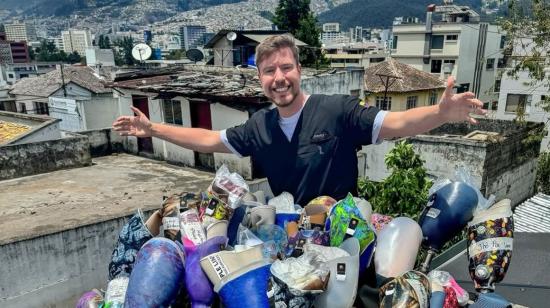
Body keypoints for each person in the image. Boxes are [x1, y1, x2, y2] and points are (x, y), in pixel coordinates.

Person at [113, 34, 485, 206]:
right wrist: (153, 129)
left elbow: (395, 123)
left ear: (299, 69)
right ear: (260, 78)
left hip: (344, 234)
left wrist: (440, 113)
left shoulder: (336, 110)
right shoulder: (259, 126)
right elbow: (210, 140)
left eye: (286, 67)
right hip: (292, 234)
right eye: (269, 71)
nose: (279, 78)